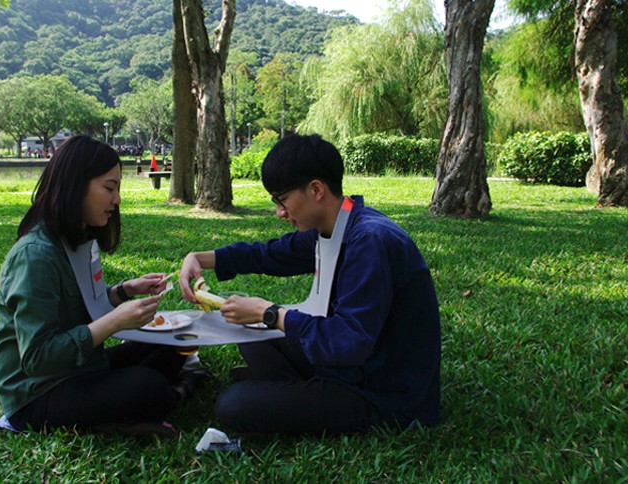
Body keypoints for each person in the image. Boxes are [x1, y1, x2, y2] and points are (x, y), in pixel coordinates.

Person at [178, 134, 441, 436]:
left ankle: (292, 392)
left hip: (381, 390)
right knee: (248, 333)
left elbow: (349, 340)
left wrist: (270, 314)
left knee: (232, 404)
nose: (280, 212)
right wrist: (199, 258)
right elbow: (269, 254)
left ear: (316, 189)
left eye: (282, 199)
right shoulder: (334, 226)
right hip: (346, 366)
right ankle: (292, 391)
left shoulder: (369, 241)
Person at [0, 135, 204, 437]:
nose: (117, 200)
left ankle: (131, 408)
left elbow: (80, 305)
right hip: (37, 393)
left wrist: (124, 291)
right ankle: (168, 396)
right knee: (147, 385)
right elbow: (37, 358)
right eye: (109, 188)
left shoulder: (76, 241)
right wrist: (115, 321)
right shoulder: (36, 256)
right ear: (75, 186)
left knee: (173, 342)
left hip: (82, 367)